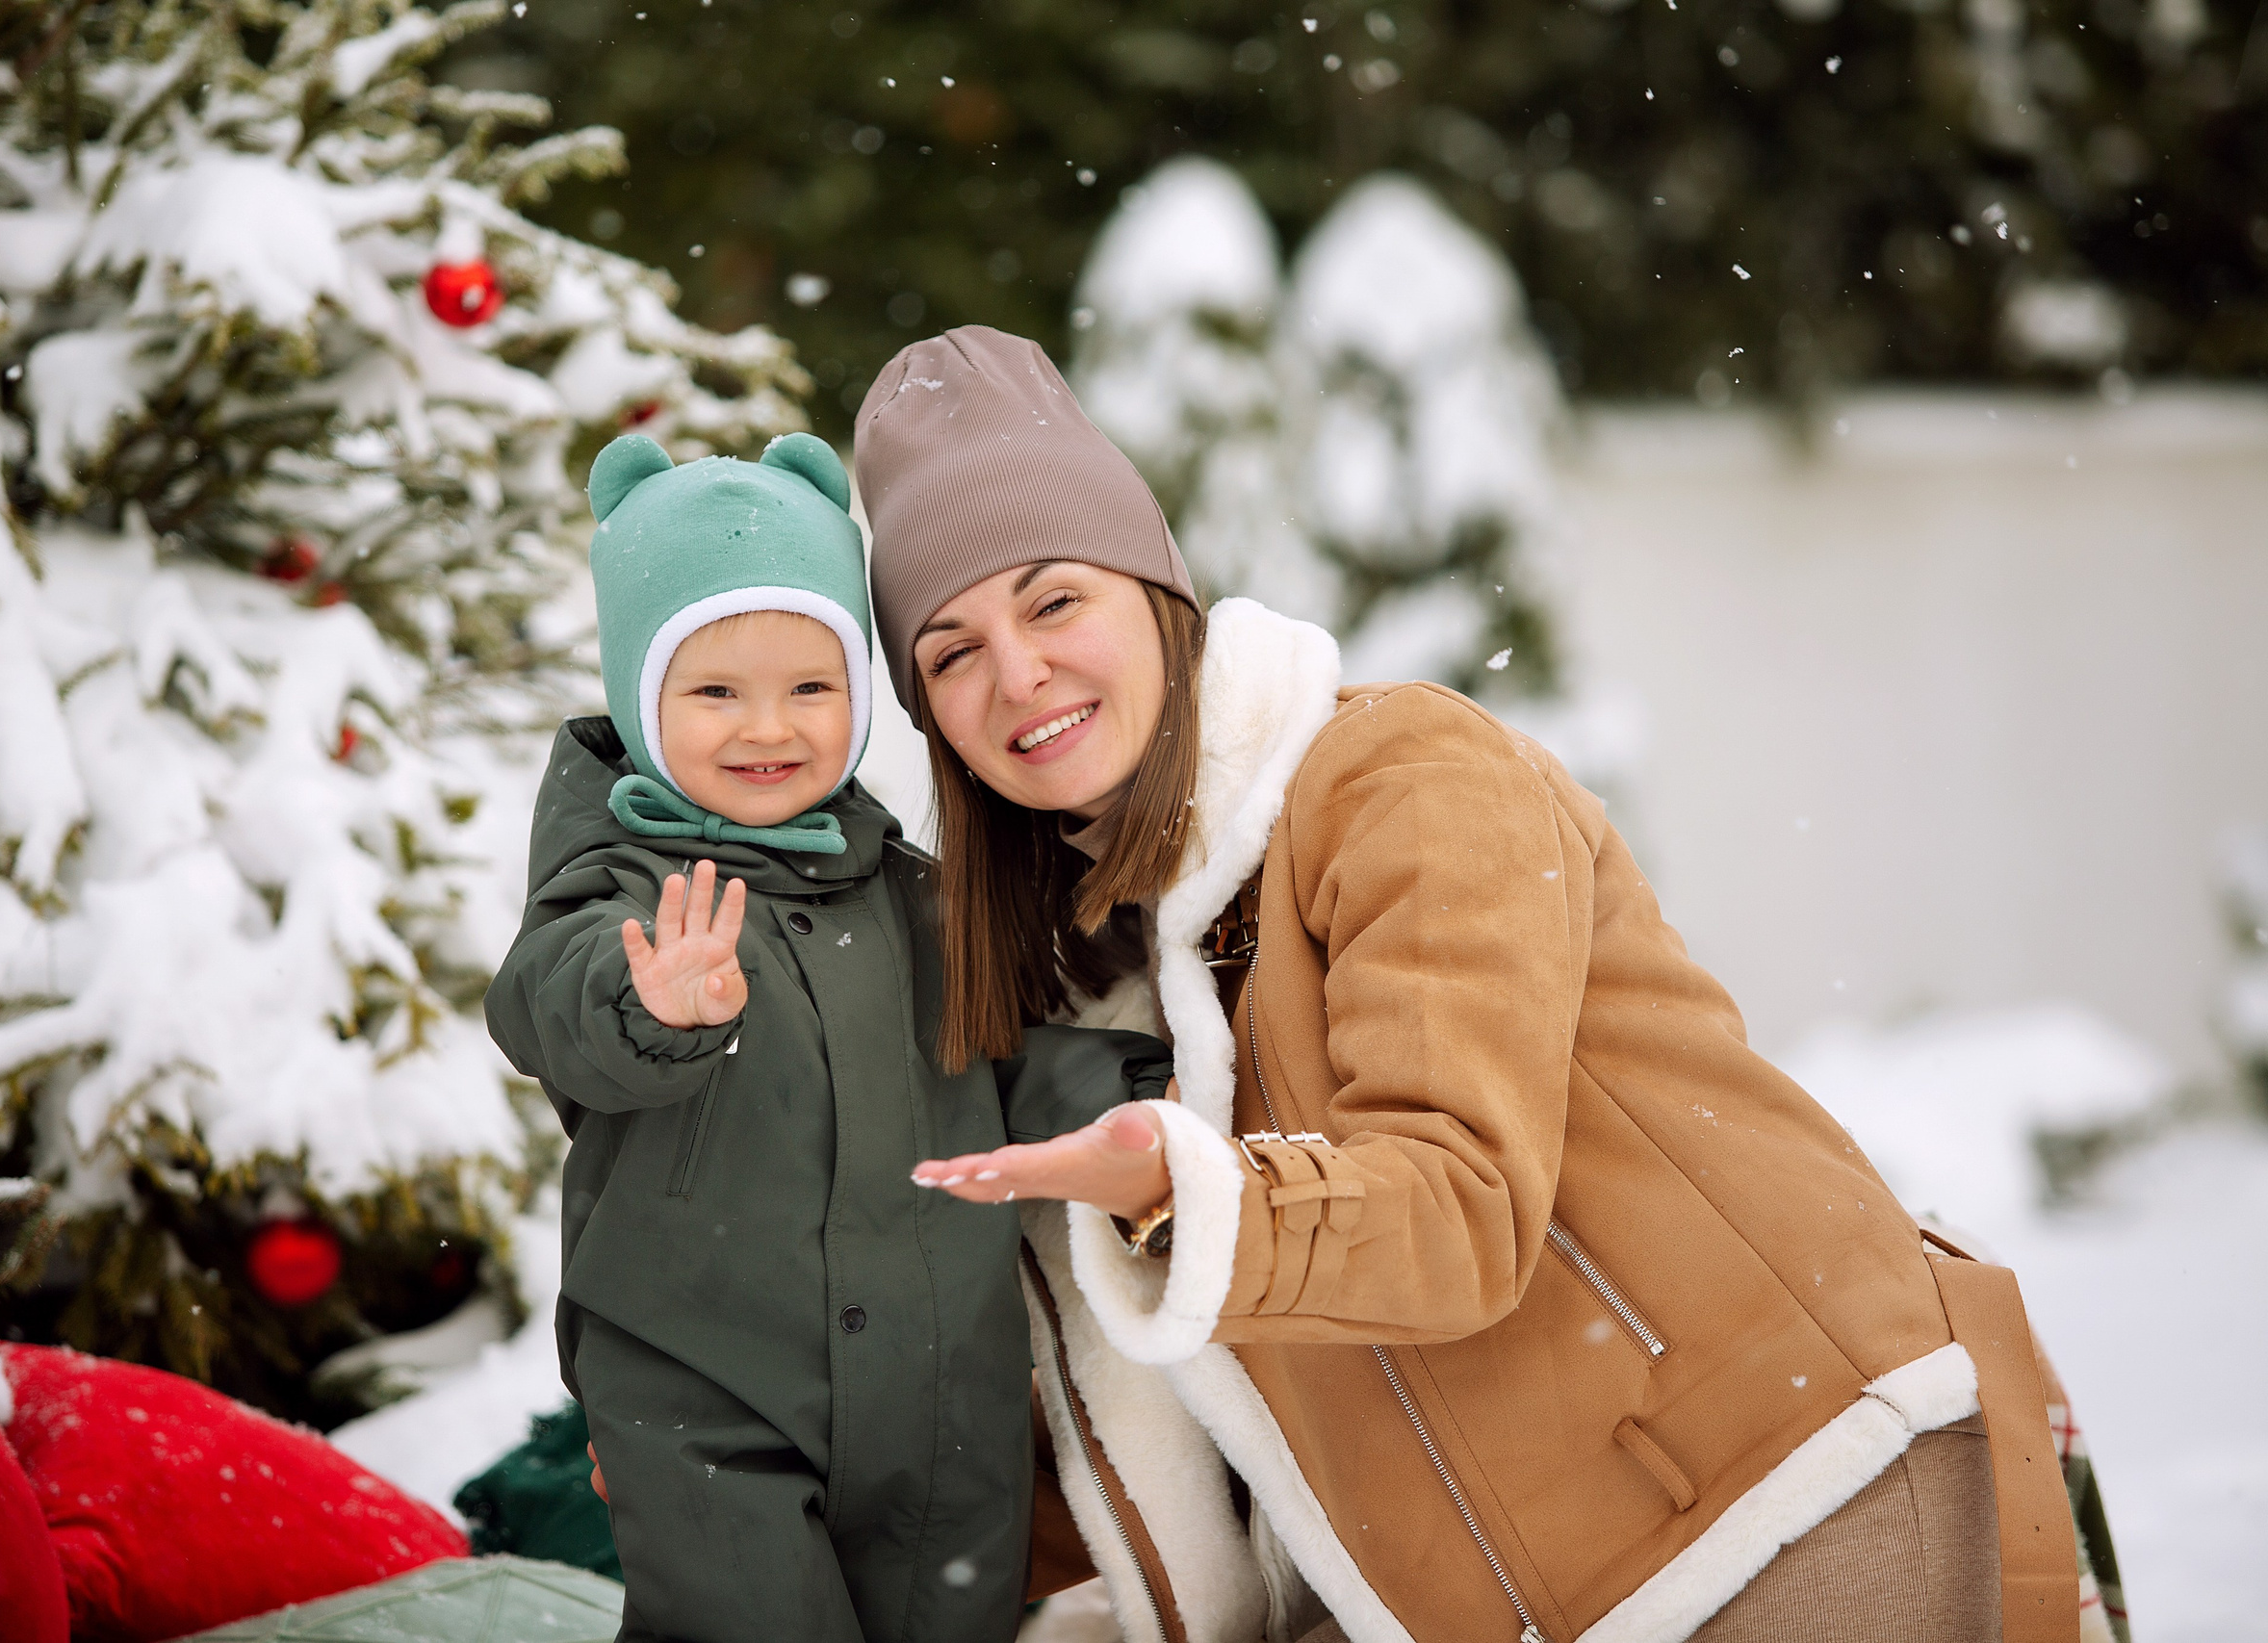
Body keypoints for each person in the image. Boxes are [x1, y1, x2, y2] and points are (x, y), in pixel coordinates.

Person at [856, 327, 2087, 1643]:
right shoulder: (1091, 994)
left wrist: (1175, 1188)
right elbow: (1146, 1430)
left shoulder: (1400, 776)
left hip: (1793, 1488)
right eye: (952, 649)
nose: (1018, 672)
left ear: (1158, 593)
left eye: (1053, 601)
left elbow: (1461, 1205)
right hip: (1503, 1593)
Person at [484, 430, 1173, 1643]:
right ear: (641, 700)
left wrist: (1148, 1086)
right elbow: (547, 1001)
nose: (771, 727)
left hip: (935, 1395)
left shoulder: (910, 896)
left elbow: (997, 1065)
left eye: (811, 686)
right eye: (713, 691)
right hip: (702, 1396)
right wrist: (650, 1002)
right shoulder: (627, 891)